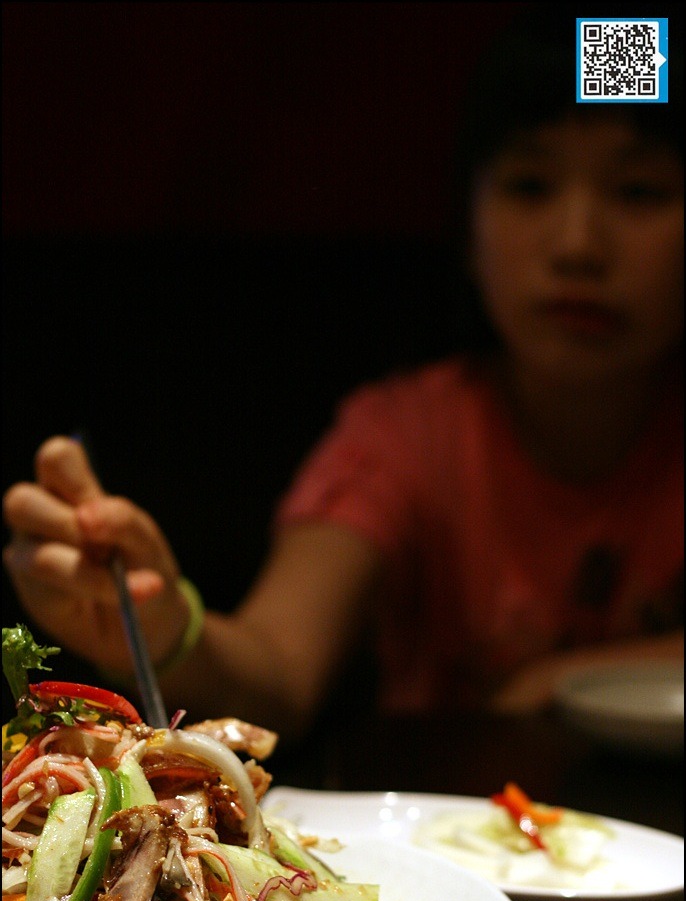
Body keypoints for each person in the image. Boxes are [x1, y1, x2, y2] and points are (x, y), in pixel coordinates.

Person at [3, 5, 683, 748]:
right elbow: (279, 677)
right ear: (468, 221)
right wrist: (160, 621)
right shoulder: (407, 434)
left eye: (640, 191)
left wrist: (563, 678)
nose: (579, 245)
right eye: (529, 185)